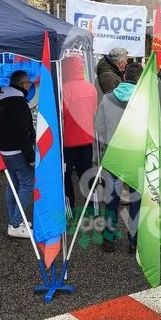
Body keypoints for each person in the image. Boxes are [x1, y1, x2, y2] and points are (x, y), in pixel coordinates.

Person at [95, 61, 143, 252]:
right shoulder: (144, 99)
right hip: (136, 155)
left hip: (113, 153)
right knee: (136, 199)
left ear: (124, 77)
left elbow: (99, 127)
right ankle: (134, 241)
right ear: (141, 80)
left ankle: (109, 239)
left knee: (112, 198)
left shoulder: (107, 98)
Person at [0, 70, 35, 239]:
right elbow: (22, 133)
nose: (29, 86)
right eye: (28, 83)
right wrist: (31, 157)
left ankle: (15, 220)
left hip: (4, 151)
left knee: (13, 185)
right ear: (22, 84)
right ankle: (16, 224)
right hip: (17, 151)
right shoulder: (18, 102)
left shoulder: (0, 99)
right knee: (27, 184)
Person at [61, 55, 97, 215]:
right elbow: (93, 111)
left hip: (67, 142)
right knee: (87, 175)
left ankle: (70, 210)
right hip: (86, 139)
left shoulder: (63, 89)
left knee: (66, 176)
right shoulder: (91, 88)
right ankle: (92, 208)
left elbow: (61, 115)